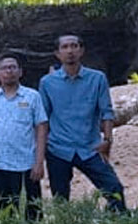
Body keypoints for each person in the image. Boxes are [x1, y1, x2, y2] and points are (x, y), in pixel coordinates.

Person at [39, 35, 126, 212]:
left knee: (114, 189)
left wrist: (108, 140)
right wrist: (41, 151)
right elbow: (43, 118)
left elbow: (106, 111)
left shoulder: (97, 79)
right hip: (58, 148)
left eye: (74, 46)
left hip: (91, 147)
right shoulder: (47, 83)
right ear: (57, 53)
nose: (70, 51)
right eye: (65, 47)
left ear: (81, 50)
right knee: (60, 198)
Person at [0, 53, 48, 221]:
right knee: (2, 214)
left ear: (20, 72)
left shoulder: (32, 97)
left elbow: (41, 129)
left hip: (26, 166)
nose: (9, 71)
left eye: (13, 67)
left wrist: (39, 162)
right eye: (4, 68)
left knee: (32, 214)